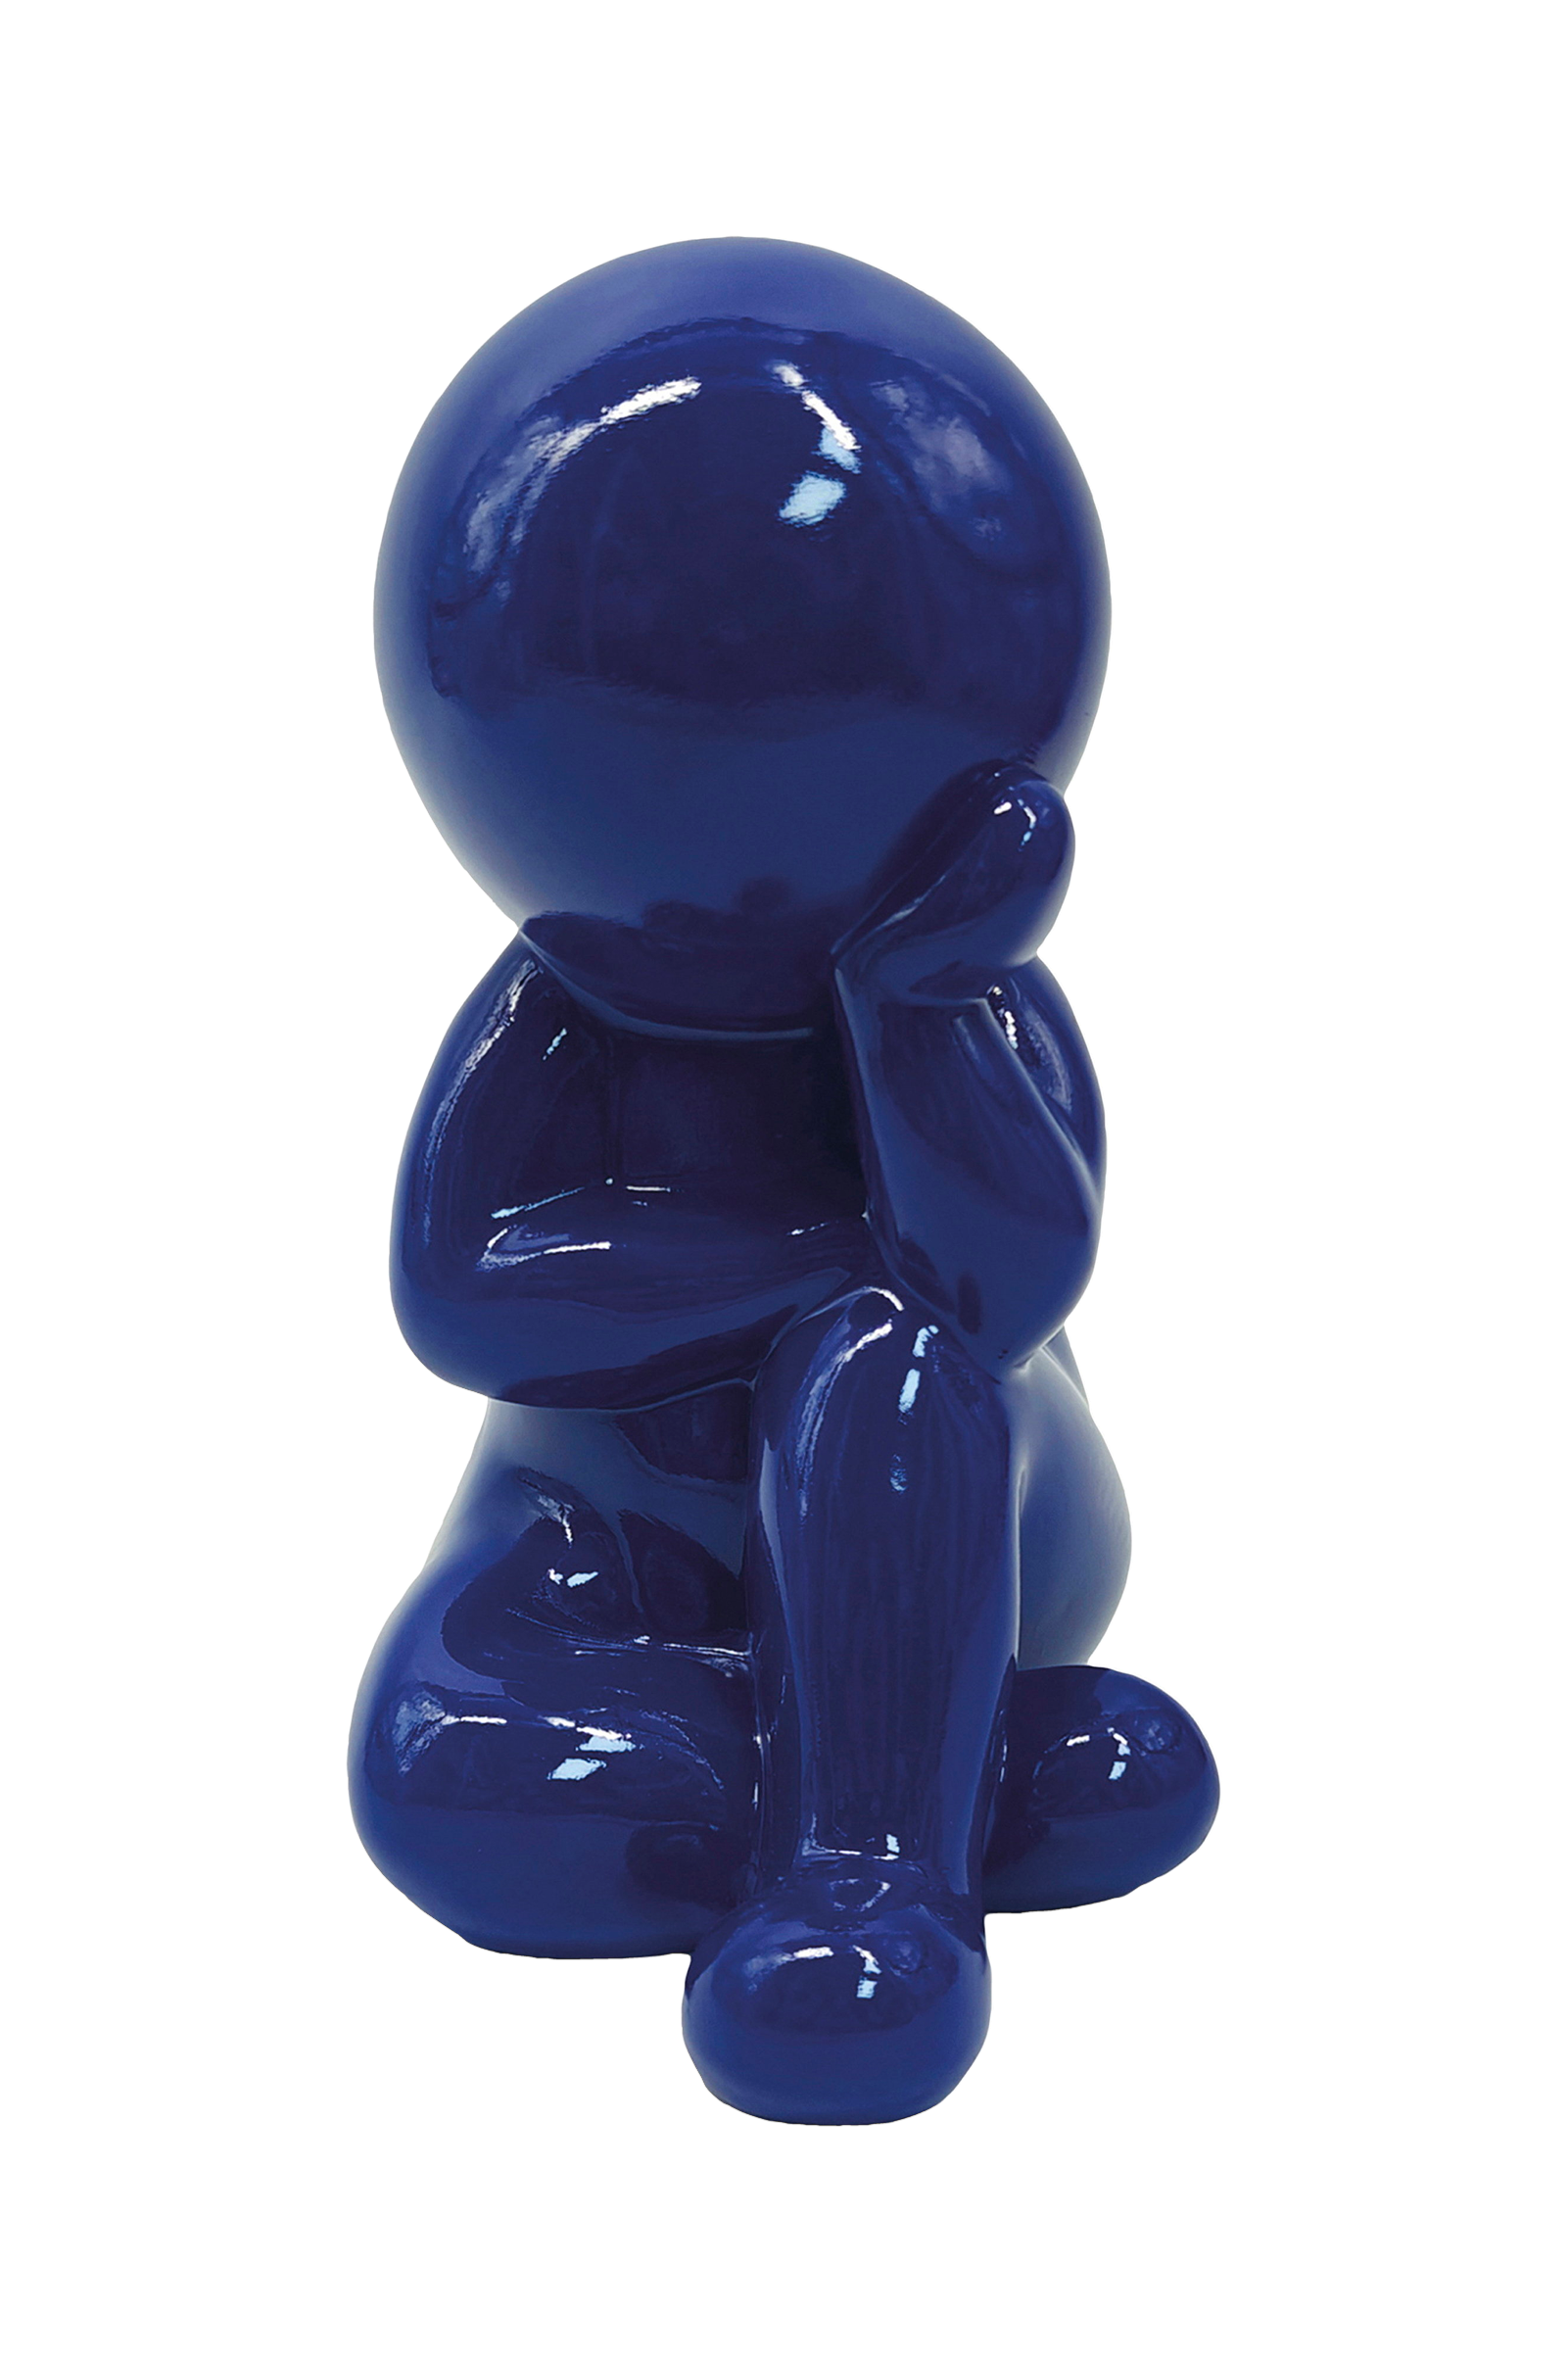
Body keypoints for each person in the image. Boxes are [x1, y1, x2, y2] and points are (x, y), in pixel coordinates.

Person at [351, 238, 1217, 2124]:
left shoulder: (968, 1003)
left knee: (887, 1361)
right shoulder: (563, 1006)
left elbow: (996, 1293)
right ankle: (949, 1761)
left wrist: (907, 1005)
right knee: (425, 1772)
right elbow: (460, 1296)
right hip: (600, 1559)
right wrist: (823, 1250)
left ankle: (869, 1872)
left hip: (962, 1512)